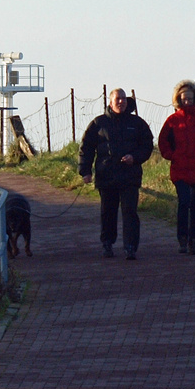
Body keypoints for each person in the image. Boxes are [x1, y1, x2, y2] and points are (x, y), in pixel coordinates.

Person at [79, 86, 153, 259]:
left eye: (124, 99)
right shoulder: (98, 123)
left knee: (130, 212)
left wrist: (134, 157)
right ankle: (107, 243)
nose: (121, 102)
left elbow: (147, 145)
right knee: (108, 212)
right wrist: (85, 171)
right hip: (107, 175)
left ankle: (130, 247)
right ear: (110, 102)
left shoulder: (137, 123)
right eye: (117, 99)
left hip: (130, 175)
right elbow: (86, 147)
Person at [157, 79, 195, 254]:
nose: (187, 101)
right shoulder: (173, 120)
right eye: (184, 99)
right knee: (184, 203)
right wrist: (171, 156)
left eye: (190, 98)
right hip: (181, 169)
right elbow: (163, 141)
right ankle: (182, 239)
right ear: (178, 99)